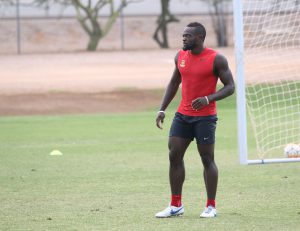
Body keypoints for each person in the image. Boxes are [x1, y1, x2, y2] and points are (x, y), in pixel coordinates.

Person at [155, 22, 235, 218]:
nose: (183, 39)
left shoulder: (217, 59)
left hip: (205, 118)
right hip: (183, 115)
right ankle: (175, 205)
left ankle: (210, 206)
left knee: (207, 159)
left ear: (199, 38)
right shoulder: (180, 56)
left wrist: (209, 98)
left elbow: (230, 86)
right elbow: (174, 82)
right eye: (183, 35)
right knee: (174, 154)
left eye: (188, 36)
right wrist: (162, 109)